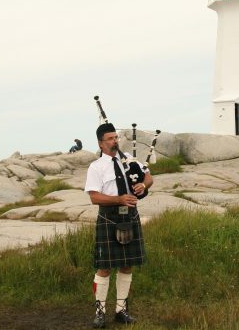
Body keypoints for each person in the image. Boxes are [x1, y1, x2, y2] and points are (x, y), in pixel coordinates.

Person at [84, 123, 153, 328]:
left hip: (130, 217)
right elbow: (94, 197)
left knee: (126, 265)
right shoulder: (96, 167)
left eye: (116, 138)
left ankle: (121, 311)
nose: (115, 141)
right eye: (110, 139)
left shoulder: (129, 161)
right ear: (101, 143)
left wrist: (143, 184)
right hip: (109, 218)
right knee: (104, 268)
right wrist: (119, 199)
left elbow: (148, 177)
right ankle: (100, 312)